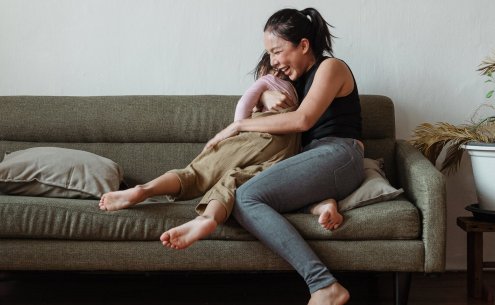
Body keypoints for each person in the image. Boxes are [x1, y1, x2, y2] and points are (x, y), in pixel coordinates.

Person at [98, 53, 344, 250]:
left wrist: (239, 126)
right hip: (286, 152)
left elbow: (243, 105)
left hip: (258, 137)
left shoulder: (267, 81)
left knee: (195, 174)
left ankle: (145, 190)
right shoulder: (301, 92)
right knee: (234, 180)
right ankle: (208, 219)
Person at [202, 7, 364, 305]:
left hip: (340, 152)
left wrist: (238, 126)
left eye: (277, 51)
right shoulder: (290, 78)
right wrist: (264, 92)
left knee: (246, 197)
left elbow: (303, 120)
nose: (274, 60)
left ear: (303, 45)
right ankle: (322, 204)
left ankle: (324, 285)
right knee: (250, 187)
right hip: (309, 159)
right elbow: (263, 85)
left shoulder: (331, 68)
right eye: (270, 53)